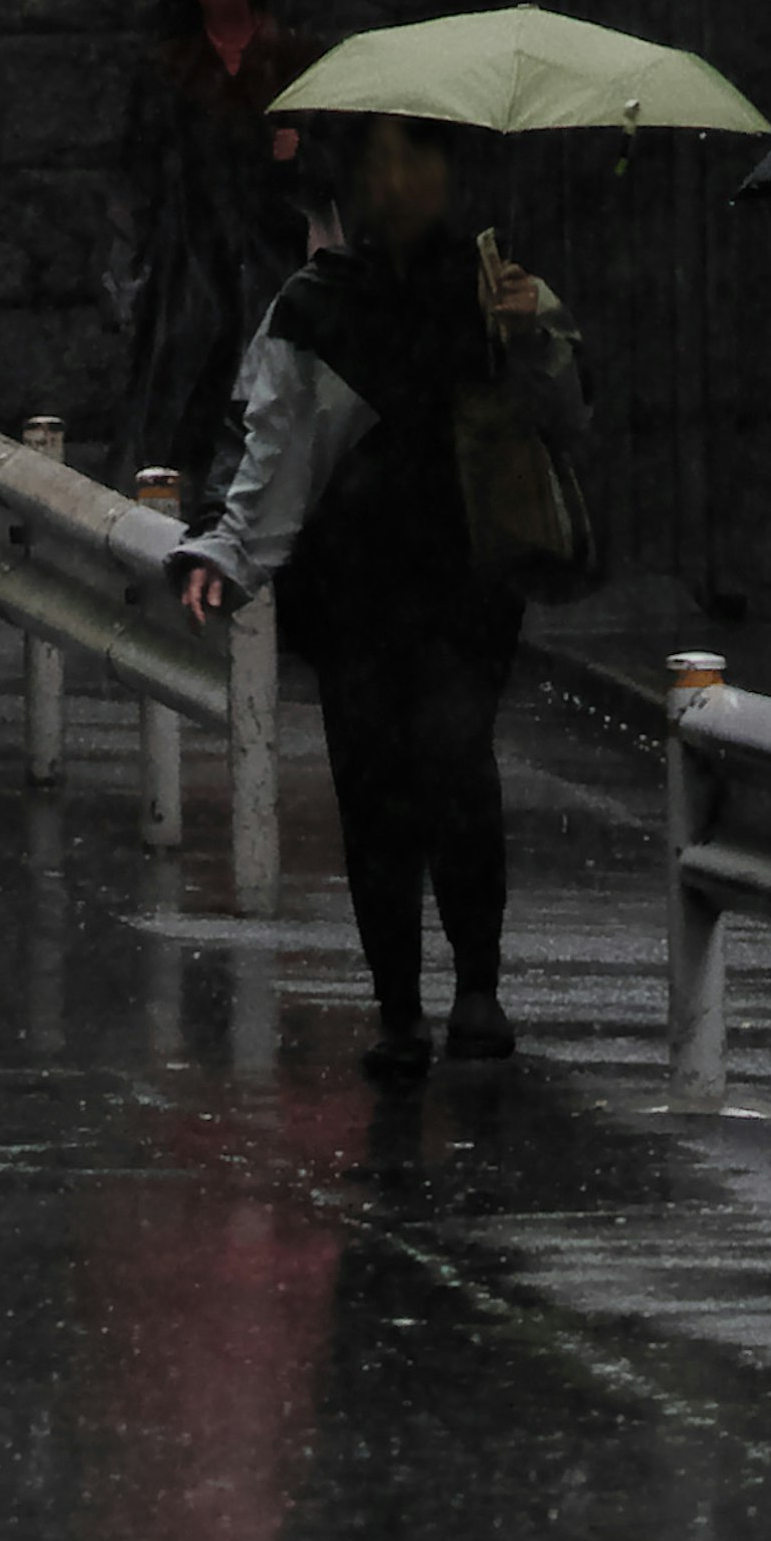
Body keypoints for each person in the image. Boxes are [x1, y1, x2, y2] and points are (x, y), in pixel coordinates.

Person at [175, 114, 590, 1081]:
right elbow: (262, 441)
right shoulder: (315, 305)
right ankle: (397, 1005)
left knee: (456, 759)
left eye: (419, 157)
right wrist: (220, 547)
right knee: (371, 784)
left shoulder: (498, 289)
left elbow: (571, 416)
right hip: (351, 581)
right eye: (380, 161)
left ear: (451, 171)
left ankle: (476, 987)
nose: (400, 180)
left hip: (467, 575)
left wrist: (531, 335)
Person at [100, 0, 318, 506]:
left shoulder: (291, 60)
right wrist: (133, 285)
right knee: (182, 447)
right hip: (189, 286)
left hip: (274, 277)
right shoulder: (169, 71)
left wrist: (295, 154)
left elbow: (329, 182)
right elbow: (137, 184)